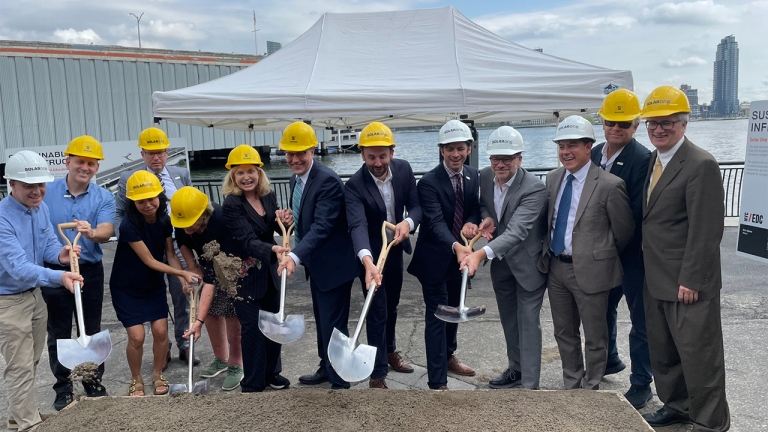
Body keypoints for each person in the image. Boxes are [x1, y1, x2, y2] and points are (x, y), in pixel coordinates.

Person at [639, 86, 730, 431]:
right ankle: (677, 406)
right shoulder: (654, 160)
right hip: (656, 277)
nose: (658, 129)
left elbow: (706, 231)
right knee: (664, 354)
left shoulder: (700, 163)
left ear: (683, 123)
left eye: (667, 123)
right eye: (652, 124)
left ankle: (710, 422)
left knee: (700, 356)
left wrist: (692, 279)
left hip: (686, 282)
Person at [537, 115, 634, 390]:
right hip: (556, 267)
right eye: (561, 146)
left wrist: (597, 255)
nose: (565, 152)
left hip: (592, 271)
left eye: (572, 146)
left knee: (594, 334)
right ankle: (572, 382)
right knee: (564, 331)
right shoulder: (553, 179)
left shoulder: (609, 184)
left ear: (589, 146)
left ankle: (592, 386)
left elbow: (623, 232)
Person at [460, 126, 548, 390]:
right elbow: (486, 204)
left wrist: (480, 253)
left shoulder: (535, 189)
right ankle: (516, 369)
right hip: (502, 265)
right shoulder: (485, 177)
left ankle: (530, 386)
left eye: (507, 159)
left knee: (528, 323)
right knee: (509, 320)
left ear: (520, 159)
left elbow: (517, 231)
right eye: (495, 158)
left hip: (528, 265)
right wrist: (485, 217)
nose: (500, 164)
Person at [0, 151, 82, 431]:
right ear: (12, 183)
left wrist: (61, 253)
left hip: (35, 296)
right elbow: (19, 268)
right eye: (28, 186)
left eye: (41, 185)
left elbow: (47, 245)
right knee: (19, 364)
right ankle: (29, 424)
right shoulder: (1, 219)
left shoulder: (40, 209)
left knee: (31, 359)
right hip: (7, 301)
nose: (37, 191)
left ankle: (17, 415)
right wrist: (61, 276)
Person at [275, 122, 359, 390]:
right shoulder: (296, 179)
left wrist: (295, 257)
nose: (295, 159)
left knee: (334, 327)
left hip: (334, 266)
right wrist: (290, 217)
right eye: (290, 154)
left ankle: (339, 381)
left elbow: (323, 227)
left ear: (313, 150)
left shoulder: (328, 181)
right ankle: (326, 366)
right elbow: (308, 218)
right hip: (317, 265)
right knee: (323, 322)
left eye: (301, 153)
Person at [344, 122, 423, 388]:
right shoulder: (354, 185)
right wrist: (367, 262)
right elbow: (357, 225)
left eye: (382, 156)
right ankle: (377, 374)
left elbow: (415, 206)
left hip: (395, 249)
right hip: (370, 256)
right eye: (371, 157)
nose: (377, 162)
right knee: (376, 311)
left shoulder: (404, 169)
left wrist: (408, 223)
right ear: (362, 155)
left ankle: (390, 351)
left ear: (391, 152)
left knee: (392, 305)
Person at [109, 171, 199, 397]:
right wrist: (182, 272)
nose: (148, 204)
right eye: (141, 201)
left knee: (160, 332)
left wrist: (182, 279)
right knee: (137, 336)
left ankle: (157, 373)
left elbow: (169, 254)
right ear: (132, 202)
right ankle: (136, 377)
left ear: (160, 196)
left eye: (152, 198)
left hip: (152, 285)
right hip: (126, 287)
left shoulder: (164, 220)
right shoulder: (128, 225)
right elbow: (149, 260)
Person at [407, 120, 481, 390]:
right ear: (441, 150)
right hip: (436, 258)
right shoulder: (427, 183)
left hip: (459, 260)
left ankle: (449, 356)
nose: (455, 154)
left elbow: (473, 207)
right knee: (438, 316)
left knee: (456, 309)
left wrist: (472, 223)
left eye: (460, 148)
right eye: (449, 149)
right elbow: (435, 223)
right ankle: (437, 382)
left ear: (468, 148)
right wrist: (457, 246)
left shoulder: (473, 175)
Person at [42, 136, 115, 411]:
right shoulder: (46, 192)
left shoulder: (103, 196)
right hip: (55, 270)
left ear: (97, 167)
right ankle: (63, 388)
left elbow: (107, 230)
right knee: (58, 331)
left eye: (91, 163)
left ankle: (93, 381)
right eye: (80, 161)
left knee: (91, 330)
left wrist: (91, 232)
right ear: (67, 161)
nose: (85, 167)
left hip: (89, 272)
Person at [591, 89, 653, 409]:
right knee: (601, 310)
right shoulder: (594, 154)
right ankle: (608, 360)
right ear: (602, 122)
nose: (616, 128)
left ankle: (642, 382)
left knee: (640, 319)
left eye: (624, 123)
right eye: (610, 121)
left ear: (636, 125)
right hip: (603, 252)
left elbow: (634, 214)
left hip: (632, 255)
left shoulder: (643, 160)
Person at [115, 126, 197, 367]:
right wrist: (133, 240)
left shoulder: (181, 174)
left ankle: (184, 343)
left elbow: (190, 209)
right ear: (142, 154)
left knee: (182, 294)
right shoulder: (129, 179)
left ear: (167, 152)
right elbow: (120, 213)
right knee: (152, 296)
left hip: (173, 243)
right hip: (143, 246)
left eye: (160, 152)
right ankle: (163, 347)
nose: (156, 158)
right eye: (150, 153)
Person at [221, 145, 292, 392]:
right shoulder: (231, 205)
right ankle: (252, 381)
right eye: (240, 173)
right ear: (233, 177)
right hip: (244, 275)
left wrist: (282, 218)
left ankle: (272, 373)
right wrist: (272, 250)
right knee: (251, 330)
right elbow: (246, 240)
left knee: (274, 322)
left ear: (259, 173)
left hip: (269, 272)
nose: (246, 177)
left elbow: (270, 224)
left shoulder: (267, 196)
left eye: (250, 171)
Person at [171, 186, 245, 391]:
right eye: (182, 224)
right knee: (212, 313)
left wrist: (198, 321)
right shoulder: (182, 219)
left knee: (232, 315)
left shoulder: (222, 221)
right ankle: (221, 358)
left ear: (204, 215)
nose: (186, 228)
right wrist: (192, 267)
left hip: (230, 265)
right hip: (205, 261)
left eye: (191, 224)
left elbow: (214, 278)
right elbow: (182, 241)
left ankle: (236, 364)